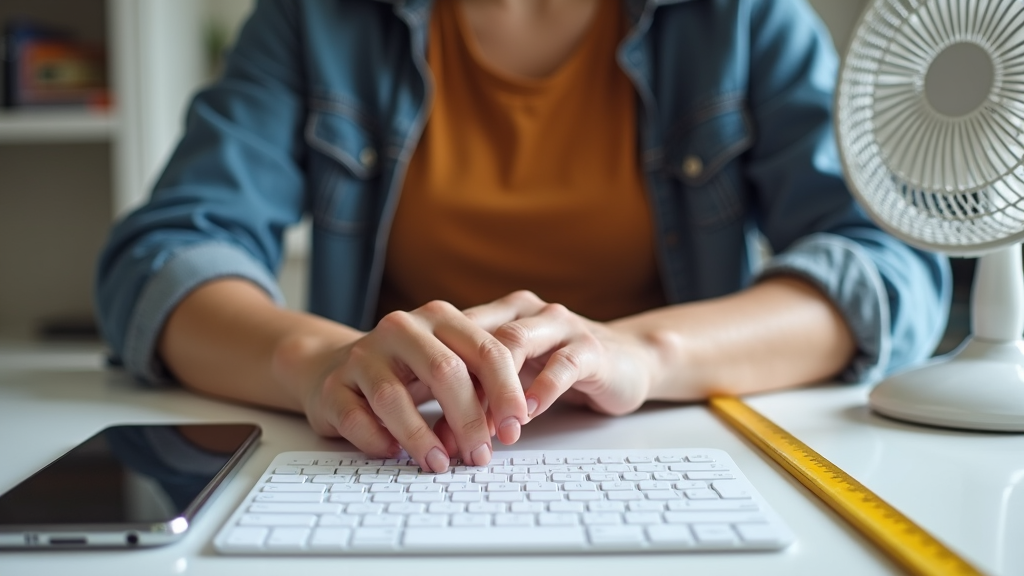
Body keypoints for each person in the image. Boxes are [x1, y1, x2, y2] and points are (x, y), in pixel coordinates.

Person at [95, 0, 950, 475]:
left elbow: (887, 264)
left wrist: (642, 352)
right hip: (402, 455)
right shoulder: (312, 20)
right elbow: (162, 259)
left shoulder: (745, 17)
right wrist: (321, 363)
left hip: (663, 444)